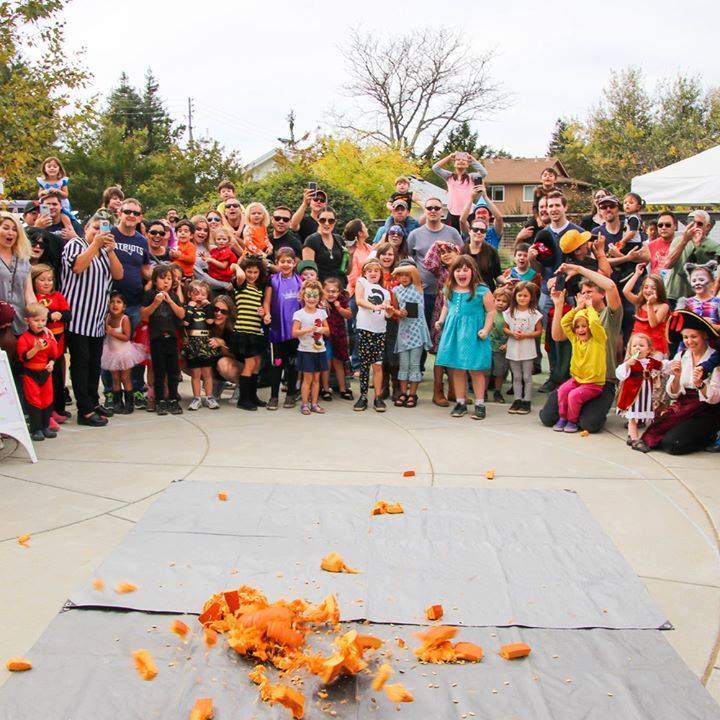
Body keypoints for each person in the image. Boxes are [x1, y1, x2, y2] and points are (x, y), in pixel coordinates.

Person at [539, 263, 623, 433]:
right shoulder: (579, 316)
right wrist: (558, 305)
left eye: (590, 292)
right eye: (582, 293)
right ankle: (575, 409)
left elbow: (612, 286)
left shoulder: (610, 315)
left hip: (603, 381)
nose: (585, 296)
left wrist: (578, 269)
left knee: (589, 424)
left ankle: (584, 411)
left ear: (602, 294)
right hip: (579, 380)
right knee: (547, 418)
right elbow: (557, 336)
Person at [61, 213, 124, 426]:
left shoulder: (105, 252)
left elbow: (118, 275)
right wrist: (95, 245)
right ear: (86, 227)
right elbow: (78, 267)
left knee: (94, 366)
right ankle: (84, 411)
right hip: (77, 319)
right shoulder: (75, 244)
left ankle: (93, 403)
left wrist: (111, 250)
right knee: (80, 366)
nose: (98, 232)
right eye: (95, 228)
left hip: (96, 322)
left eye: (103, 229)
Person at [634, 311, 720, 454]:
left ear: (704, 336)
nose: (689, 341)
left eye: (694, 336)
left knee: (673, 445)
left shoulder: (715, 359)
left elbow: (715, 398)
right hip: (683, 406)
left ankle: (709, 436)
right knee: (667, 435)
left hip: (706, 411)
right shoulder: (681, 355)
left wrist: (700, 384)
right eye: (685, 337)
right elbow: (673, 394)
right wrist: (677, 376)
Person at [530, 191, 584, 393]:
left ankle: (571, 376)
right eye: (549, 206)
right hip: (548, 293)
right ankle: (554, 376)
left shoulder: (577, 232)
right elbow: (538, 268)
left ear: (565, 207)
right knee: (551, 338)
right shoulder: (542, 234)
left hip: (572, 292)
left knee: (574, 335)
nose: (552, 209)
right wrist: (532, 258)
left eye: (556, 205)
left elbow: (582, 262)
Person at [435, 255, 496, 420]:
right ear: (452, 272)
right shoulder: (449, 289)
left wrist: (486, 329)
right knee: (457, 369)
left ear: (473, 271)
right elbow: (446, 307)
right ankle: (460, 402)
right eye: (458, 270)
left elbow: (491, 311)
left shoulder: (482, 290)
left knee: (476, 370)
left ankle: (480, 404)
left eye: (465, 269)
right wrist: (441, 320)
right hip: (454, 333)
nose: (461, 273)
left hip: (473, 334)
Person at [109, 197, 151, 408]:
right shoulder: (109, 234)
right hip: (110, 301)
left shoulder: (142, 241)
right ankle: (110, 393)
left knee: (133, 349)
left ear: (140, 217)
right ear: (119, 213)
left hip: (134, 302)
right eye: (127, 212)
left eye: (135, 213)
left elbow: (145, 269)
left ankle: (134, 390)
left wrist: (159, 279)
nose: (131, 216)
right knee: (111, 348)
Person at [552, 300, 607, 434]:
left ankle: (572, 421)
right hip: (577, 379)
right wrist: (577, 309)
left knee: (574, 396)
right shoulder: (575, 339)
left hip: (593, 383)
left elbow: (594, 323)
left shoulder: (598, 339)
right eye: (577, 327)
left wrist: (589, 307)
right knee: (563, 390)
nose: (581, 329)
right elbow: (565, 322)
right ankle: (563, 418)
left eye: (584, 326)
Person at [407, 198, 463, 329]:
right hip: (422, 292)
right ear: (424, 211)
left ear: (442, 211)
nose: (433, 211)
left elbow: (462, 258)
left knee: (444, 330)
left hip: (449, 292)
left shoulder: (452, 233)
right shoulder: (414, 235)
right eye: (429, 208)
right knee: (422, 329)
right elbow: (409, 259)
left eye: (437, 208)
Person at [140, 264, 185, 416]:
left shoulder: (174, 296)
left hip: (171, 337)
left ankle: (173, 398)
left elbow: (181, 314)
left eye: (169, 279)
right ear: (154, 280)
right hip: (156, 337)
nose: (166, 282)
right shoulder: (150, 294)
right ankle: (160, 399)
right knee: (159, 371)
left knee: (173, 370)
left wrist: (170, 302)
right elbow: (144, 314)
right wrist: (156, 303)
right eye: (162, 278)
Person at [31, 264, 71, 423]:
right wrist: (48, 316)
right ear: (34, 281)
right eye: (42, 280)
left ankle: (58, 407)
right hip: (41, 346)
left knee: (57, 378)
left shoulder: (58, 297)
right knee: (43, 379)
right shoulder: (33, 299)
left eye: (49, 280)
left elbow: (68, 315)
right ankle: (46, 412)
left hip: (58, 343)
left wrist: (59, 314)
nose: (47, 283)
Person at [423, 239, 461, 406]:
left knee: (456, 352)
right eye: (442, 253)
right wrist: (437, 244)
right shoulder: (441, 271)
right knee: (441, 352)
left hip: (460, 313)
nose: (445, 255)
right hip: (442, 311)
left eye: (449, 251)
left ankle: (455, 390)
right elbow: (429, 262)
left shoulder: (466, 270)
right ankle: (437, 391)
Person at [264, 247, 302, 410]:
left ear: (294, 263)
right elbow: (266, 301)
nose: (286, 264)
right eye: (282, 262)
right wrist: (266, 314)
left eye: (289, 261)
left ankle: (291, 394)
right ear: (277, 263)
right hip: (278, 330)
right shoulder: (273, 280)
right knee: (277, 363)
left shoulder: (300, 281)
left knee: (293, 364)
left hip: (295, 330)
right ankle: (273, 396)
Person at [353, 258, 393, 413]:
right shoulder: (362, 282)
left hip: (380, 331)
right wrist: (375, 306)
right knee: (364, 365)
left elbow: (387, 316)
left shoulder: (386, 292)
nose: (373, 273)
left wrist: (389, 311)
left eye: (376, 270)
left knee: (377, 365)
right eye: (369, 270)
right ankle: (363, 396)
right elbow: (359, 300)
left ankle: (377, 397)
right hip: (365, 329)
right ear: (365, 273)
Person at [16, 303, 59, 441]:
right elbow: (23, 357)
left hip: (45, 372)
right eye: (36, 320)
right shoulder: (24, 338)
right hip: (30, 373)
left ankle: (45, 426)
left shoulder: (48, 337)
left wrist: (51, 363)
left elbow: (54, 355)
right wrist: (36, 348)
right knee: (34, 400)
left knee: (47, 399)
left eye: (43, 320)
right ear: (27, 320)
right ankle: (36, 429)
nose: (40, 324)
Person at [232, 256, 269, 411]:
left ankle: (253, 396)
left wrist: (262, 312)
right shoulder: (240, 284)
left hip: (255, 331)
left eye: (255, 272)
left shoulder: (257, 290)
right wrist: (236, 265)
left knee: (256, 365)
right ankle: (243, 399)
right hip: (243, 331)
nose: (252, 275)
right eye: (249, 271)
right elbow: (239, 274)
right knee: (249, 364)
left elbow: (261, 309)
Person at [391, 262, 431, 408]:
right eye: (401, 275)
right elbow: (394, 310)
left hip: (417, 331)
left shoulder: (418, 287)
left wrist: (396, 269)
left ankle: (413, 394)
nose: (404, 277)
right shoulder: (396, 290)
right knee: (404, 365)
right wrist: (398, 313)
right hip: (404, 331)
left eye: (407, 275)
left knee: (415, 365)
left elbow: (413, 269)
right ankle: (403, 393)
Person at [101, 291, 148, 414]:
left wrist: (112, 333)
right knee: (115, 378)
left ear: (124, 306)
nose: (115, 305)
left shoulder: (125, 319)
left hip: (124, 353)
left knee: (125, 377)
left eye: (118, 302)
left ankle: (129, 402)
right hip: (111, 352)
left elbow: (126, 337)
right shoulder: (107, 318)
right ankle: (117, 402)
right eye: (112, 302)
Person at [615, 333, 666, 446]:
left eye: (641, 345)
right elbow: (620, 374)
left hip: (646, 394)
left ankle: (630, 435)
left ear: (649, 350)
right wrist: (627, 365)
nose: (637, 348)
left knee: (640, 414)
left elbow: (663, 366)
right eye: (634, 346)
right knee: (633, 417)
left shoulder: (651, 361)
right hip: (632, 395)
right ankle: (634, 438)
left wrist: (672, 365)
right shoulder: (629, 362)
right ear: (630, 349)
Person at [0, 212, 36, 363]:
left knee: (19, 370)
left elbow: (29, 293)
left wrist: (38, 316)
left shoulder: (23, 259)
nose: (10, 232)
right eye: (6, 228)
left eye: (14, 229)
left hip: (20, 323)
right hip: (1, 323)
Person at [503, 281, 543, 415]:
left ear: (531, 297)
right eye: (519, 295)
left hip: (528, 348)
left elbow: (539, 331)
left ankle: (527, 400)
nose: (522, 298)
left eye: (525, 295)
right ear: (515, 296)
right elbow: (505, 328)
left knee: (527, 376)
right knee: (517, 376)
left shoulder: (534, 313)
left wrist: (526, 335)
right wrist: (512, 333)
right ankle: (517, 399)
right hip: (513, 347)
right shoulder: (509, 312)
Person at [292, 279, 330, 415]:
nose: (312, 299)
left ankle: (314, 403)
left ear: (319, 297)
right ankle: (304, 404)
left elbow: (328, 330)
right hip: (305, 351)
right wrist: (308, 329)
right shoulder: (299, 314)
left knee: (316, 379)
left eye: (315, 296)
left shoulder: (321, 313)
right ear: (303, 296)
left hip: (320, 350)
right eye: (309, 295)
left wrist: (321, 330)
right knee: (307, 379)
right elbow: (294, 333)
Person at [431, 151, 488, 230]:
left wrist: (472, 159)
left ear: (467, 165)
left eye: (464, 160)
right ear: (454, 164)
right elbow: (435, 168)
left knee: (468, 239)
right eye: (458, 160)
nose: (461, 161)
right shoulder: (449, 177)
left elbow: (484, 173)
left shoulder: (471, 177)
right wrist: (450, 157)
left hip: (469, 214)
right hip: (453, 214)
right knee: (451, 239)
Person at [622, 270, 670, 357]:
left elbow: (653, 323)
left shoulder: (663, 306)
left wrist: (650, 305)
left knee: (651, 369)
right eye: (646, 287)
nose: (649, 290)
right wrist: (637, 274)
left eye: (653, 288)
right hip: (636, 346)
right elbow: (626, 291)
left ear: (660, 290)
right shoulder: (640, 302)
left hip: (655, 348)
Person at [321, 277, 352, 401]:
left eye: (334, 291)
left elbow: (349, 315)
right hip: (326, 336)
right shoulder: (321, 302)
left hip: (339, 335)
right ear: (322, 290)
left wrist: (339, 308)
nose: (331, 294)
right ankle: (325, 389)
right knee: (327, 362)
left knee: (339, 362)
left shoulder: (342, 301)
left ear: (339, 292)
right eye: (328, 291)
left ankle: (343, 389)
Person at [302, 207, 347, 283]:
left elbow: (347, 270)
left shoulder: (339, 239)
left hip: (339, 287)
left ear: (335, 222)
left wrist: (351, 254)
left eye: (331, 221)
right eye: (323, 220)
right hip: (320, 288)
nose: (327, 223)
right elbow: (308, 273)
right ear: (318, 221)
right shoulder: (311, 240)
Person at [675, 261, 720, 332]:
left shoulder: (717, 303)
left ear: (712, 281)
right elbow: (677, 326)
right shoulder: (686, 303)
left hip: (713, 342)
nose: (697, 283)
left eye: (701, 280)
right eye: (694, 281)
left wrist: (711, 326)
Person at [460, 217, 502, 291]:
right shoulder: (462, 251)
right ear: (470, 231)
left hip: (487, 293)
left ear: (485, 234)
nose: (479, 232)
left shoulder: (492, 251)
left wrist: (506, 281)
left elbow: (498, 275)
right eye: (475, 229)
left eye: (482, 231)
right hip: (467, 292)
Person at [489, 287, 511, 404]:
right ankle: (482, 391)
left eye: (504, 301)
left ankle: (498, 392)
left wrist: (508, 343)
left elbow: (513, 330)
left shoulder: (509, 315)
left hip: (501, 348)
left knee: (499, 372)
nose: (501, 303)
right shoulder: (488, 313)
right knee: (486, 370)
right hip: (487, 346)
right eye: (498, 300)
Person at [344, 219, 373, 295]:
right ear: (360, 233)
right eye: (364, 227)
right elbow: (353, 281)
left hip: (371, 290)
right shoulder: (353, 253)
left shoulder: (369, 247)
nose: (367, 229)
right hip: (356, 294)